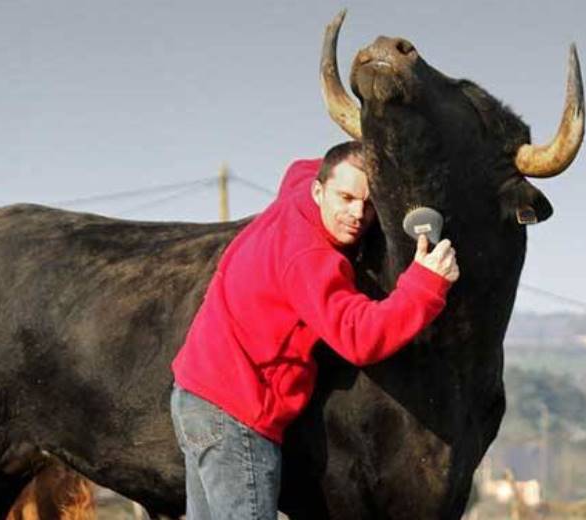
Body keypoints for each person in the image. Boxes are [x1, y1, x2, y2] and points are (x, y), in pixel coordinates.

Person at [169, 141, 460, 519]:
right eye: (346, 198)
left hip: (194, 398)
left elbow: (299, 166)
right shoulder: (310, 259)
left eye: (369, 203)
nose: (358, 213)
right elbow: (359, 336)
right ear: (319, 190)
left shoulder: (297, 194)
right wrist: (425, 285)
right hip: (235, 417)